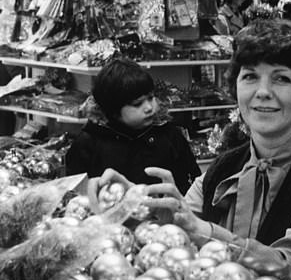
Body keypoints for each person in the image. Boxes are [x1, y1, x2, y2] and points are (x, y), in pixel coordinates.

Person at [90, 21, 291, 280]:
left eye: (282, 78)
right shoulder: (221, 169)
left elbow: (288, 266)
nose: (263, 91)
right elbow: (179, 230)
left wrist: (204, 231)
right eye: (250, 77)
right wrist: (135, 209)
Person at [66, 57, 200, 195]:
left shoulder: (169, 135)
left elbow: (192, 185)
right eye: (137, 104)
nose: (149, 107)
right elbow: (76, 194)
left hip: (167, 212)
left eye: (151, 97)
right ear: (114, 110)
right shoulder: (89, 143)